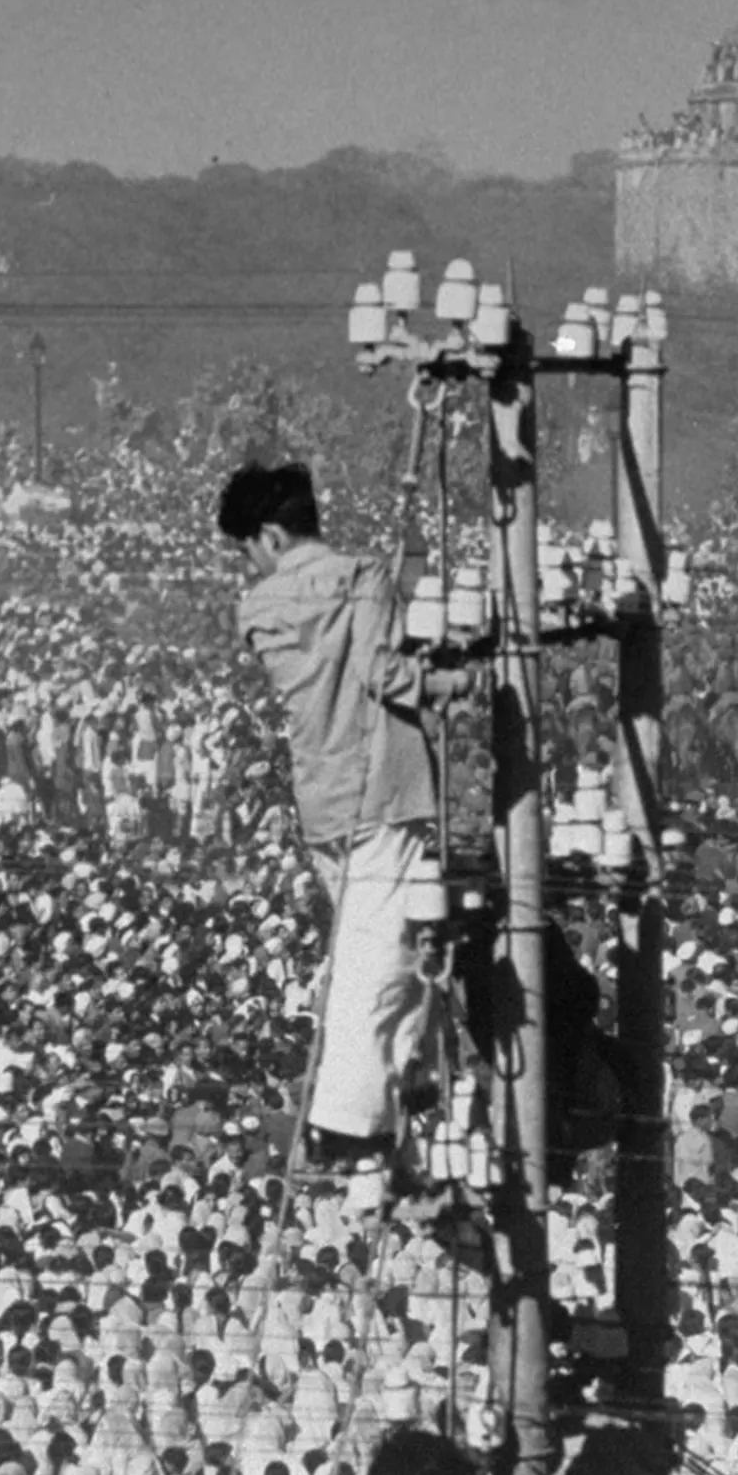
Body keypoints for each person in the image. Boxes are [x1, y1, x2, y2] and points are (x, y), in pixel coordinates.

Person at [217, 461, 442, 1179]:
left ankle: (409, 1073)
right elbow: (384, 674)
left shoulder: (258, 608)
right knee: (382, 949)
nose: (251, 564)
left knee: (396, 933)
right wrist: (462, 677)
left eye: (247, 549)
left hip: (322, 797)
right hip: (382, 789)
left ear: (272, 535)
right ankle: (348, 1118)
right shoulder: (361, 578)